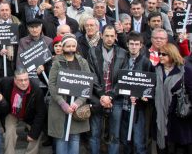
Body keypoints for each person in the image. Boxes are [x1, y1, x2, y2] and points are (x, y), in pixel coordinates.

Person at [48, 33, 91, 153]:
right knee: (61, 137)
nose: (71, 49)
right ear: (63, 47)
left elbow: (87, 84)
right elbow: (51, 84)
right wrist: (63, 104)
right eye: (68, 46)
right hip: (60, 106)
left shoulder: (83, 62)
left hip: (76, 106)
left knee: (75, 137)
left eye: (73, 46)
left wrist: (78, 102)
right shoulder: (57, 62)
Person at [87, 25, 128, 154]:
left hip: (115, 98)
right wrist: (101, 95)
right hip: (97, 97)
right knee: (95, 134)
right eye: (107, 35)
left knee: (114, 135)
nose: (109, 38)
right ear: (101, 35)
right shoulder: (93, 51)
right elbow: (91, 75)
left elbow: (123, 78)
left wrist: (110, 95)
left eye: (112, 36)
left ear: (116, 36)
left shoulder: (122, 52)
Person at [0, 68, 46, 154]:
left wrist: (33, 133)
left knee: (36, 133)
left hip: (29, 115)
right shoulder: (6, 82)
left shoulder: (36, 90)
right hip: (12, 113)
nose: (23, 83)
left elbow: (40, 113)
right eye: (20, 80)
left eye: (26, 79)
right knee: (10, 131)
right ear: (15, 80)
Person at [155, 43, 192, 153]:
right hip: (160, 117)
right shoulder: (156, 70)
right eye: (159, 53)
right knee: (163, 147)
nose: (160, 56)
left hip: (179, 118)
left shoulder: (185, 71)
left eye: (163, 54)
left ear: (172, 55)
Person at [120, 32, 153, 154]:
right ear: (127, 45)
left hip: (138, 109)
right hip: (123, 105)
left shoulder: (146, 63)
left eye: (136, 44)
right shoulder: (122, 60)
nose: (134, 47)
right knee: (125, 141)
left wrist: (140, 97)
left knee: (139, 142)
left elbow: (149, 87)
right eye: (131, 44)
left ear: (141, 46)